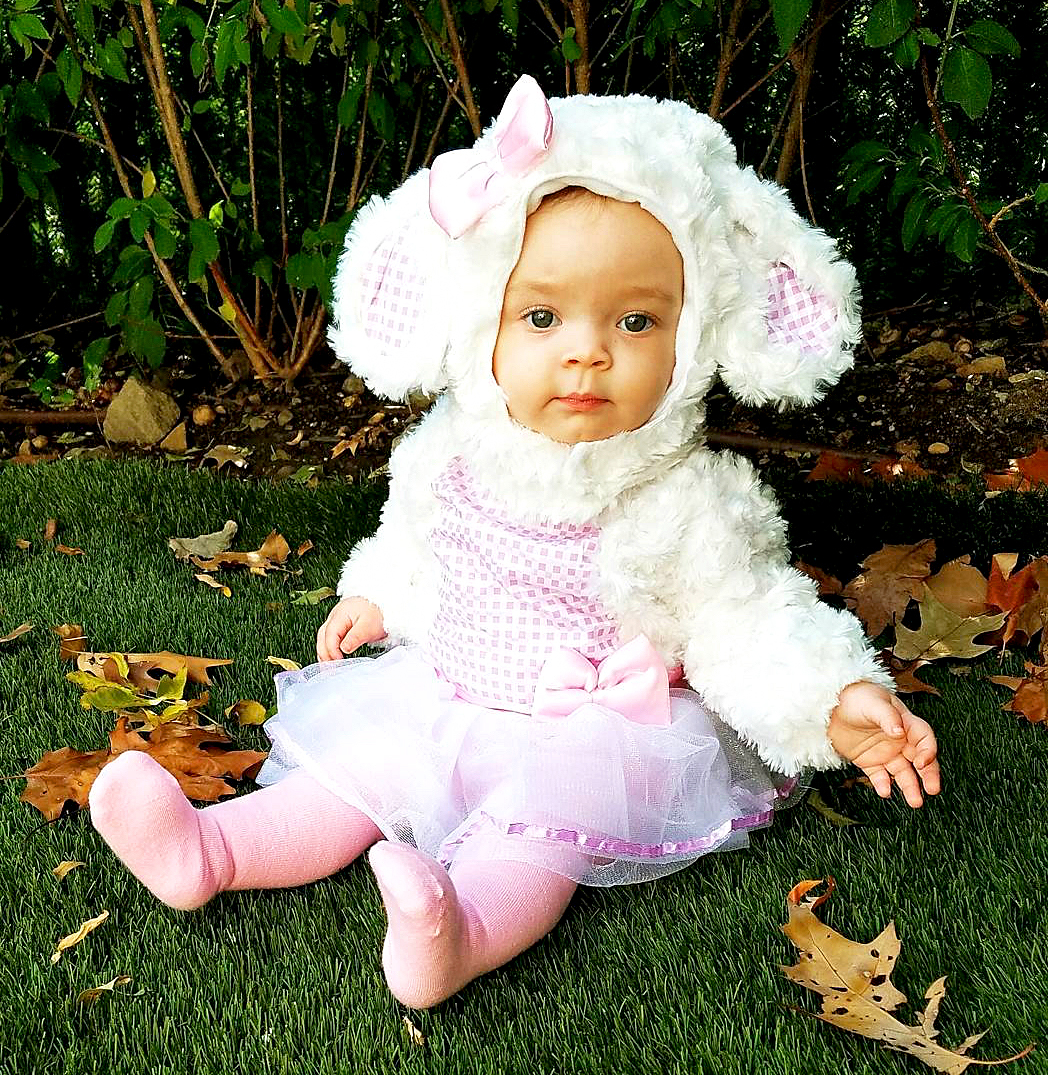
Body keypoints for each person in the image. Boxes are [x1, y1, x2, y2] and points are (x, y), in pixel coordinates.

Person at [89, 76, 941, 1010]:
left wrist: (832, 698)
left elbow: (748, 617)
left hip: (590, 735)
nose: (587, 351)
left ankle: (460, 930)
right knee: (348, 782)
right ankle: (209, 850)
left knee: (538, 838)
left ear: (699, 335)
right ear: (479, 322)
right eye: (542, 316)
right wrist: (380, 594)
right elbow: (415, 536)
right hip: (441, 695)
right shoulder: (452, 453)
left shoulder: (684, 497)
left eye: (636, 321)